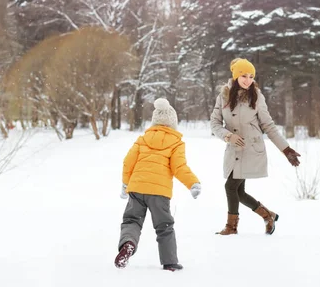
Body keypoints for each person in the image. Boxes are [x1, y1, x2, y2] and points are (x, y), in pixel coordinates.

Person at [210, 58, 301, 236]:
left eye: (251, 76)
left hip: (251, 149)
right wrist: (228, 136)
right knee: (239, 191)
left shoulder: (256, 96)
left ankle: (231, 227)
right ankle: (268, 216)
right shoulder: (223, 96)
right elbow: (214, 123)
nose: (248, 80)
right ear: (235, 76)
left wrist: (286, 149)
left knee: (231, 187)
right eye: (244, 75)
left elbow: (268, 125)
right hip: (233, 149)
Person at [115, 98, 201, 271]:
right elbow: (179, 167)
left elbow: (128, 162)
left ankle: (128, 243)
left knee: (132, 220)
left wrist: (125, 184)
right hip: (159, 193)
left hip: (137, 189)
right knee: (164, 226)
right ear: (173, 123)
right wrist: (193, 183)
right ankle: (169, 262)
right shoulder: (176, 143)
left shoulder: (143, 139)